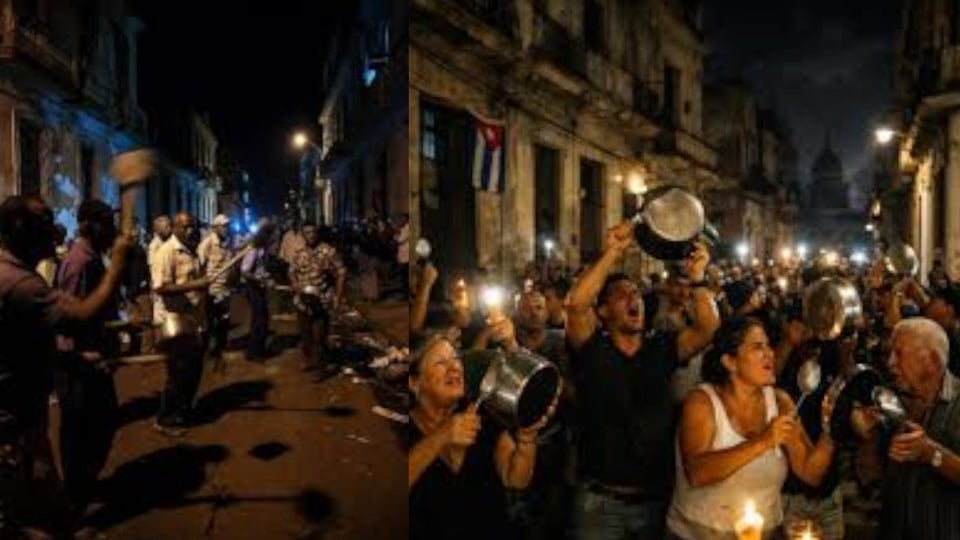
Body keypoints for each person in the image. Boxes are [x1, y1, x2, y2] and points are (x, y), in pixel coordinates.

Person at [565, 221, 720, 539]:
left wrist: (699, 278)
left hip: (654, 500)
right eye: (621, 296)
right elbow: (577, 305)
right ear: (604, 312)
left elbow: (708, 328)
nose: (632, 298)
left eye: (636, 293)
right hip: (599, 504)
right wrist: (613, 252)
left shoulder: (661, 347)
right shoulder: (593, 350)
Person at [0, 194, 131, 537]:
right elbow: (77, 319)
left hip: (24, 413)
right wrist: (118, 264)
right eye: (45, 220)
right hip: (15, 423)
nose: (56, 227)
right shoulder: (21, 283)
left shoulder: (15, 274)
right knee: (46, 506)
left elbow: (24, 343)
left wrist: (70, 356)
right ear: (18, 227)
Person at [667, 316, 836, 539]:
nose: (771, 353)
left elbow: (810, 473)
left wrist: (832, 426)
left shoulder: (779, 401)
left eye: (768, 345)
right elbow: (698, 473)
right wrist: (764, 440)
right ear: (730, 362)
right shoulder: (702, 402)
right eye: (758, 347)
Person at [408, 333, 553, 540]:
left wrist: (527, 438)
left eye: (456, 359)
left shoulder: (483, 414)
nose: (455, 368)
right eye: (441, 362)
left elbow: (515, 478)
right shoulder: (400, 426)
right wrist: (441, 437)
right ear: (414, 383)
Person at [850, 318, 960, 540]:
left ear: (932, 360)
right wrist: (867, 436)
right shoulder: (890, 400)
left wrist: (931, 453)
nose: (890, 363)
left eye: (899, 354)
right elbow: (871, 478)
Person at [53, 200, 124, 527]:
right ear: (91, 226)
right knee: (80, 435)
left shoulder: (93, 259)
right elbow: (67, 321)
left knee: (101, 424)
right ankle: (74, 509)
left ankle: (81, 492)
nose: (113, 231)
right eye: (109, 224)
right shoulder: (80, 263)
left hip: (92, 360)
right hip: (79, 366)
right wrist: (82, 356)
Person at [152, 212, 210, 437]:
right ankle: (165, 419)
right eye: (185, 227)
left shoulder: (192, 249)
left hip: (194, 320)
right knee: (178, 373)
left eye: (192, 226)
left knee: (193, 370)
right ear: (175, 227)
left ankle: (182, 411)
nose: (190, 230)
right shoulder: (166, 252)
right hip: (174, 321)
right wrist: (196, 284)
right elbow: (161, 287)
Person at [289, 222, 346, 371]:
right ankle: (308, 360)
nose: (311, 235)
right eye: (307, 232)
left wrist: (338, 297)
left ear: (317, 233)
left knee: (319, 336)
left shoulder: (328, 251)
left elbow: (341, 273)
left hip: (322, 301)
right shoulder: (299, 253)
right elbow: (291, 271)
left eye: (313, 232)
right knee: (305, 335)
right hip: (302, 302)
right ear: (303, 235)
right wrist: (295, 284)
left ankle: (321, 367)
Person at [197, 214, 234, 363]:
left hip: (224, 288)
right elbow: (200, 265)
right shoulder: (207, 243)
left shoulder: (228, 242)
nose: (226, 228)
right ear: (215, 227)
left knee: (224, 319)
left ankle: (220, 348)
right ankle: (205, 350)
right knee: (210, 321)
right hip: (211, 289)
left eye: (227, 226)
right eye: (223, 226)